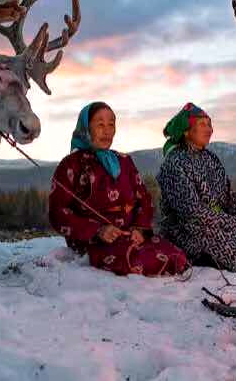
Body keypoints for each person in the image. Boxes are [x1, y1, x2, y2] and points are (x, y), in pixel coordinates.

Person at [49, 102, 188, 276]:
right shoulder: (70, 165)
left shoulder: (124, 161)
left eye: (111, 124)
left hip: (131, 235)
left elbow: (144, 199)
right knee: (136, 260)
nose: (107, 131)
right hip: (94, 241)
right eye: (100, 124)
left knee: (177, 255)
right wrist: (98, 231)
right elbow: (57, 212)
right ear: (85, 128)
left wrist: (139, 229)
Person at [156, 102, 236, 271]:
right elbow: (192, 212)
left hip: (219, 224)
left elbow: (229, 195)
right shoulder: (175, 163)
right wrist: (235, 224)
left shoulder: (211, 159)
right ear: (187, 131)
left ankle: (227, 255)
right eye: (202, 124)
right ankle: (206, 258)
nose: (209, 129)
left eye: (210, 124)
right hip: (187, 229)